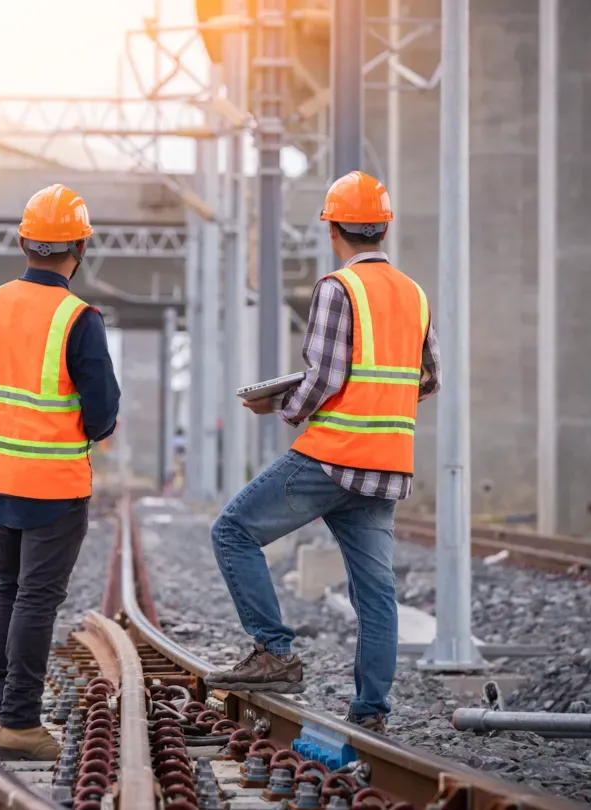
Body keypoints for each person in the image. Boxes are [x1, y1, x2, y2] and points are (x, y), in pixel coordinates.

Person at [203, 171, 440, 733]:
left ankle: (274, 652)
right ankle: (371, 711)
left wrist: (282, 405)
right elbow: (427, 380)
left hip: (333, 456)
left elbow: (327, 376)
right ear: (383, 227)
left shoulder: (339, 289)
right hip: (387, 464)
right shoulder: (414, 294)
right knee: (376, 591)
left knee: (233, 531)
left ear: (333, 229)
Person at [0, 183, 121, 760]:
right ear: (80, 248)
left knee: (9, 588)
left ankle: (5, 703)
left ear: (24, 242)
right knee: (35, 596)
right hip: (54, 484)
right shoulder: (78, 318)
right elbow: (102, 414)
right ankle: (19, 722)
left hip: (0, 476)